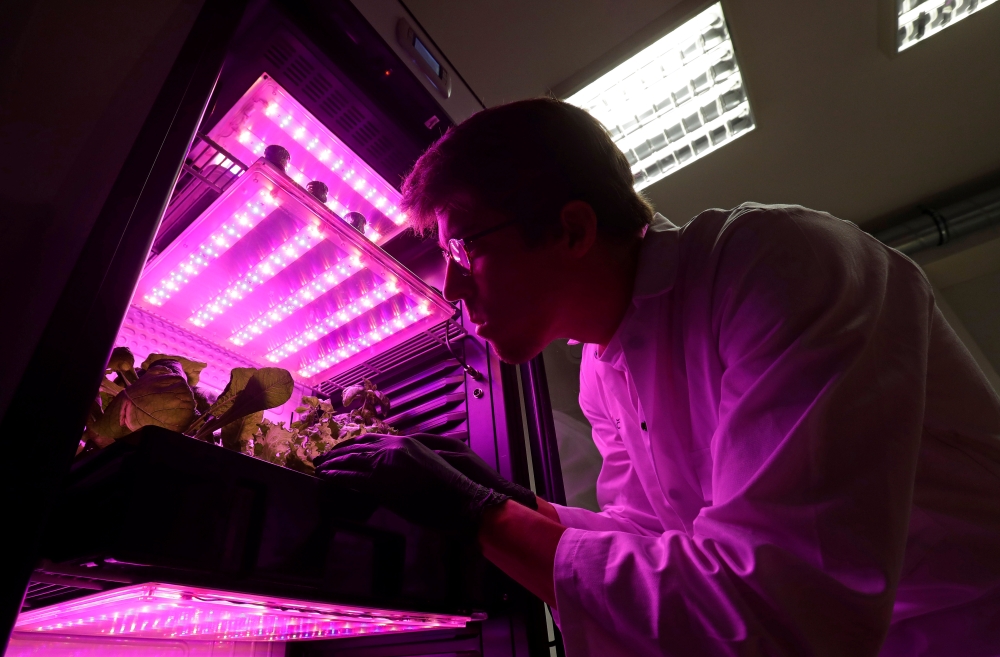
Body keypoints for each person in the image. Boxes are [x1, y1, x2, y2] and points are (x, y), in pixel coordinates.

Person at [314, 98, 1000, 655]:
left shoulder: (778, 266)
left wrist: (477, 513)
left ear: (573, 230)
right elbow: (650, 535)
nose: (453, 287)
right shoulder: (600, 370)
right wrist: (519, 500)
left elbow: (779, 615)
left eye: (464, 246)